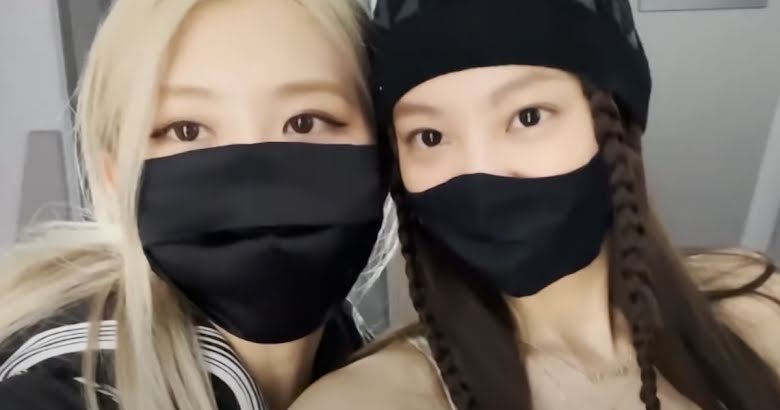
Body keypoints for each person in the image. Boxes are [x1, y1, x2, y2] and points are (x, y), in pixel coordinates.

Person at [290, 0, 780, 409]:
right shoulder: (367, 398)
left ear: (615, 120)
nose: (481, 170)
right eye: (430, 136)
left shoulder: (757, 303)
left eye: (527, 116)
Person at [0, 0, 397, 409]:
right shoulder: (59, 390)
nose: (252, 182)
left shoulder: (386, 377)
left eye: (304, 121)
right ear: (116, 177)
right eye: (187, 130)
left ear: (385, 159)